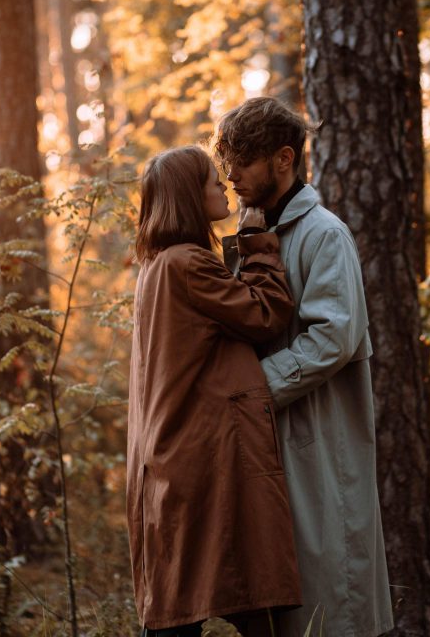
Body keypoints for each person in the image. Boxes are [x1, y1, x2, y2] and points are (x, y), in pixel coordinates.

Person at [213, 97, 394, 637]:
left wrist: (251, 391)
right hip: (265, 445)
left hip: (320, 445)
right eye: (226, 163)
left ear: (284, 158)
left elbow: (333, 337)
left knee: (329, 599)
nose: (231, 176)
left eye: (242, 161)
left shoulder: (324, 235)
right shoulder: (252, 236)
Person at [128, 145, 303, 637]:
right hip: (201, 464)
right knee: (206, 609)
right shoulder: (187, 265)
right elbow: (266, 313)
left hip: (177, 460)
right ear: (189, 198)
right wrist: (255, 240)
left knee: (185, 608)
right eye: (211, 181)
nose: (224, 186)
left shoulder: (158, 265)